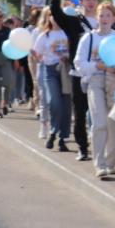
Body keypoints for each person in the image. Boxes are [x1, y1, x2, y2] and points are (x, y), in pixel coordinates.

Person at [50, 0, 100, 162]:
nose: (91, 2)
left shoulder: (104, 22)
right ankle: (82, 147)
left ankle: (102, 148)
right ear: (80, 2)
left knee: (100, 112)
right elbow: (57, 15)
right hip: (79, 73)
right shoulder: (74, 21)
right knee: (80, 111)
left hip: (100, 73)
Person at [74, 2, 115, 179]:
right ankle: (99, 164)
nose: (104, 19)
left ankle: (110, 162)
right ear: (97, 17)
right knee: (100, 122)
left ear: (113, 17)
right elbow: (79, 64)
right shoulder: (89, 38)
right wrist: (99, 65)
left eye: (108, 15)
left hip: (114, 82)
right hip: (95, 81)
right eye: (101, 15)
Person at [32, 11, 72, 152]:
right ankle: (53, 131)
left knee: (66, 103)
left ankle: (62, 137)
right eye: (53, 16)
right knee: (54, 101)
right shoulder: (45, 35)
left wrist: (66, 56)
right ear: (49, 18)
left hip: (65, 70)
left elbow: (74, 50)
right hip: (50, 70)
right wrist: (42, 59)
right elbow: (35, 52)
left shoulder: (67, 33)